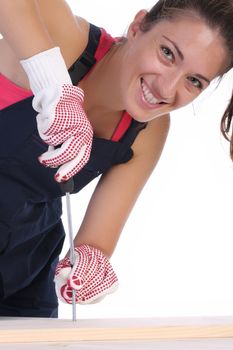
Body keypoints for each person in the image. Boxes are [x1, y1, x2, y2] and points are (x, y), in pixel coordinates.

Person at [0, 0, 232, 318]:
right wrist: (51, 83)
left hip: (21, 272)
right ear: (137, 27)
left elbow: (96, 240)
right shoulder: (67, 41)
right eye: (167, 53)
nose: (166, 87)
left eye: (194, 81)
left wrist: (89, 263)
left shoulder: (147, 130)